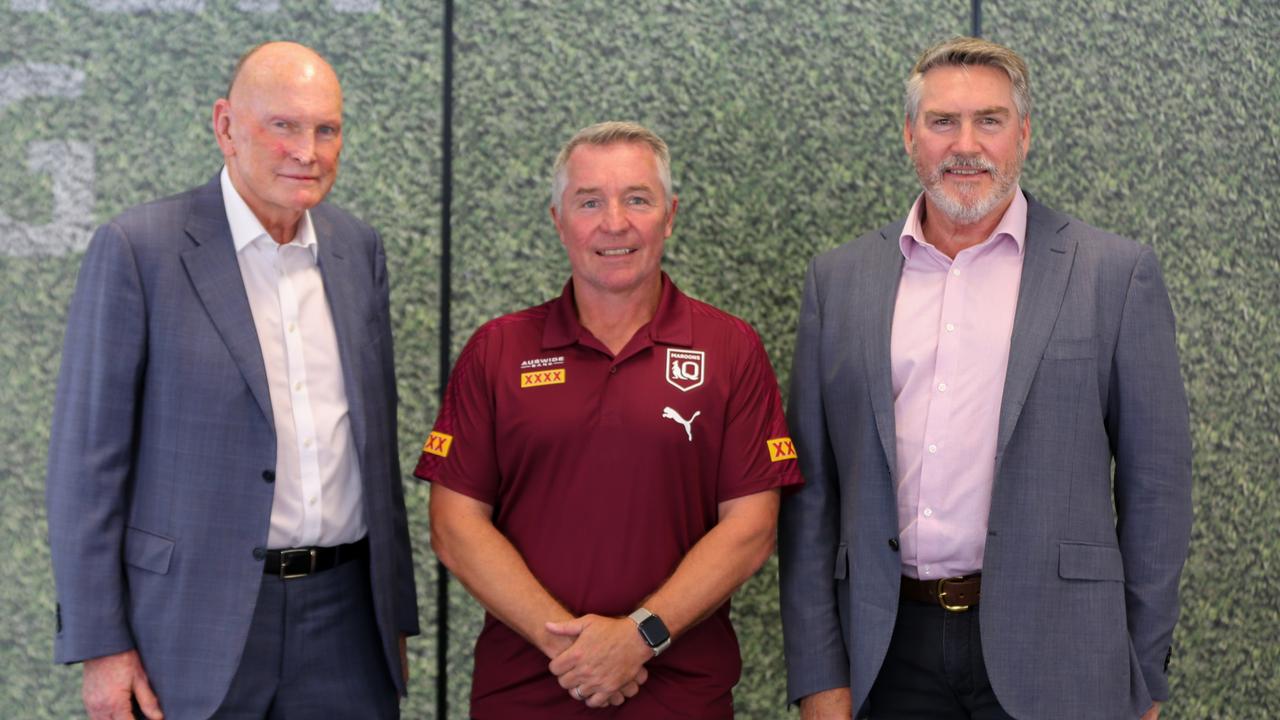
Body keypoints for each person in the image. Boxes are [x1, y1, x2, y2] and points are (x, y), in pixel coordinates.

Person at [779, 37, 1192, 720]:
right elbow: (812, 498)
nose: (964, 144)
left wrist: (1142, 676)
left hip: (1062, 653)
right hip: (886, 654)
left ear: (1024, 134)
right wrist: (819, 676)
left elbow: (1157, 490)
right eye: (942, 122)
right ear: (911, 135)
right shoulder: (839, 280)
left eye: (989, 121)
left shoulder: (1112, 274)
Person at [45, 41, 418, 719]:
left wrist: (393, 616)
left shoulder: (356, 249)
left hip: (346, 625)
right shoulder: (140, 250)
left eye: (326, 130)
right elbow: (87, 470)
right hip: (190, 626)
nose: (307, 150)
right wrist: (102, 647)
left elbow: (376, 448)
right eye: (283, 125)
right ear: (225, 126)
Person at [416, 121, 802, 718]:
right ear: (557, 220)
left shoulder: (731, 349)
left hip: (680, 698)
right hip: (525, 694)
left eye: (637, 199)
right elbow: (455, 525)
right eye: (589, 201)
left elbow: (750, 528)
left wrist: (638, 637)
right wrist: (575, 652)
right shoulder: (496, 351)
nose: (614, 222)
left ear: (669, 216)